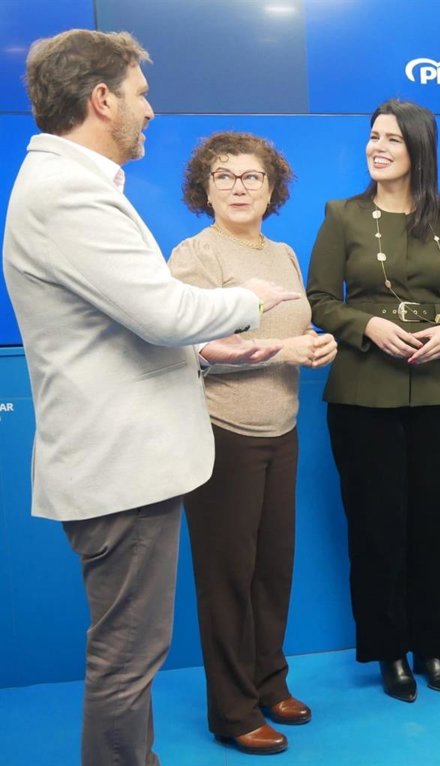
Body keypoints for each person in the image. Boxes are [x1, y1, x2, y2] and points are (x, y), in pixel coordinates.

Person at [2, 29, 298, 766]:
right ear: (102, 99)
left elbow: (125, 325)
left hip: (131, 462)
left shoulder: (76, 186)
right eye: (140, 94)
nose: (151, 110)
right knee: (128, 656)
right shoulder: (67, 193)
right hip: (121, 469)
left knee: (134, 652)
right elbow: (162, 313)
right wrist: (247, 300)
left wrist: (203, 349)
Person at [168, 132, 337, 755]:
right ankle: (233, 711)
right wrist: (285, 350)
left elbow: (293, 328)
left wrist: (315, 343)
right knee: (227, 579)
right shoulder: (196, 255)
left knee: (272, 570)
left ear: (272, 189)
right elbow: (196, 345)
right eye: (224, 176)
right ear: (204, 188)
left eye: (251, 177)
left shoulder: (284, 254)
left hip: (281, 432)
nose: (238, 187)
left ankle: (270, 683)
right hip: (223, 436)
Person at [307, 99, 440, 703]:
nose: (376, 148)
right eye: (373, 136)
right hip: (362, 391)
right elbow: (320, 299)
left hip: (438, 390)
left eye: (391, 140)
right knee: (376, 525)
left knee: (436, 523)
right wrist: (366, 326)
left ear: (418, 150)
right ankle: (389, 652)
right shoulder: (342, 215)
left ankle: (433, 646)